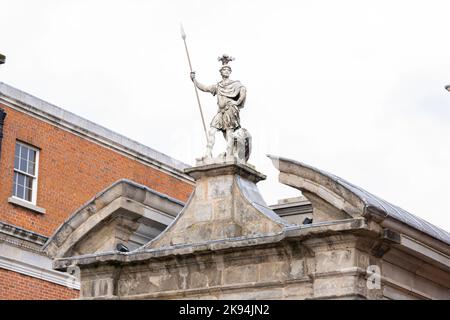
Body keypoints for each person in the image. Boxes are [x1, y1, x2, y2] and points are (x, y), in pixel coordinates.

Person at [190, 55, 247, 159]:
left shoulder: (235, 84)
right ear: (221, 72)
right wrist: (194, 81)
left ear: (230, 72)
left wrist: (237, 102)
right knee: (212, 130)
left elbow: (243, 90)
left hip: (230, 110)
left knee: (229, 133)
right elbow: (205, 88)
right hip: (220, 112)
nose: (226, 71)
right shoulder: (218, 86)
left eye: (228, 70)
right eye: (224, 70)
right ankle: (207, 154)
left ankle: (230, 154)